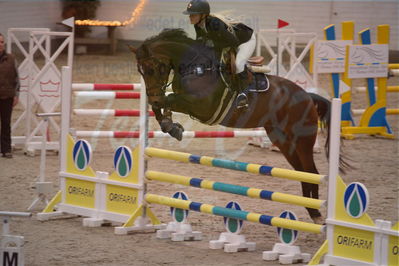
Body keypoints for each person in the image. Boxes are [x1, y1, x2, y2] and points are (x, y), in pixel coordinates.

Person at [183, 0, 257, 109]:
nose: (190, 17)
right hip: (230, 42)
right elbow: (201, 43)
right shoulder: (198, 25)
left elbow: (233, 42)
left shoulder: (214, 23)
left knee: (239, 64)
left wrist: (211, 44)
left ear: (203, 15)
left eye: (193, 14)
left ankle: (243, 94)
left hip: (245, 41)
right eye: (190, 14)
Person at [0, 33, 19, 158]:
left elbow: (17, 78)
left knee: (6, 123)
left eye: (2, 42)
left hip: (7, 96)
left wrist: (16, 95)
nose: (0, 44)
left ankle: (6, 149)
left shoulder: (11, 59)